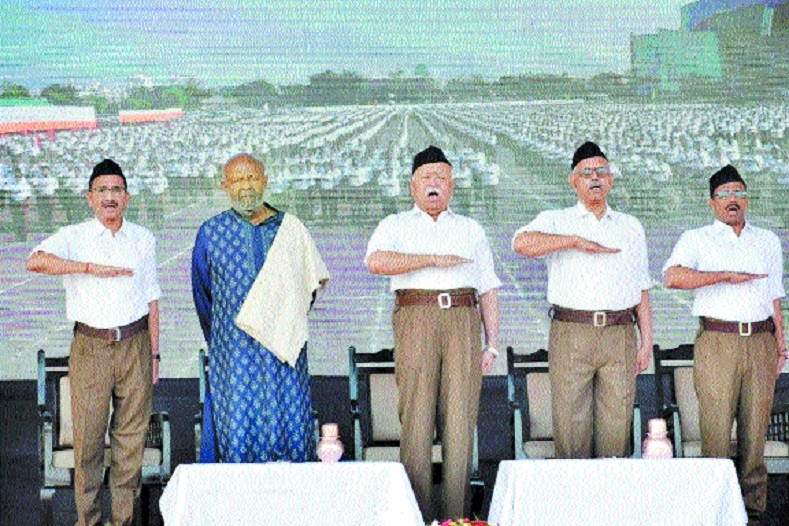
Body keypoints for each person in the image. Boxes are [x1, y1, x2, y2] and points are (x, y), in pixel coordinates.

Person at [365, 145, 501, 520]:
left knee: (460, 423)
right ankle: (416, 517)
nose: (434, 184)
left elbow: (488, 288)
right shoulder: (395, 225)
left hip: (462, 319)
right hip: (416, 317)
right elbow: (375, 261)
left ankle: (456, 518)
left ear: (452, 185)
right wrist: (432, 259)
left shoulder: (470, 229)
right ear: (412, 185)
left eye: (442, 177)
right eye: (427, 177)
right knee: (417, 420)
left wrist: (491, 344)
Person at [25, 158, 161, 526]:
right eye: (102, 190)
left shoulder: (143, 239)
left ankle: (123, 521)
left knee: (130, 442)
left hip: (134, 343)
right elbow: (34, 262)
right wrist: (87, 267)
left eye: (116, 190)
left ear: (127, 197)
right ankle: (88, 521)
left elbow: (152, 299)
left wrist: (155, 354)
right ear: (90, 197)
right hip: (91, 346)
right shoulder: (74, 236)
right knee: (87, 442)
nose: (110, 197)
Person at [512, 141, 653, 459]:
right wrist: (573, 241)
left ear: (611, 179)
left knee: (616, 429)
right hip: (572, 332)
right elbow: (521, 243)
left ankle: (610, 491)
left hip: (620, 333)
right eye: (586, 172)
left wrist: (646, 341)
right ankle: (574, 492)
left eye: (602, 171)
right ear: (573, 181)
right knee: (571, 427)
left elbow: (642, 287)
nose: (595, 178)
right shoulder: (556, 220)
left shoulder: (630, 227)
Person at [663, 165, 786, 523]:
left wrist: (780, 342)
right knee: (716, 433)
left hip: (761, 341)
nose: (733, 200)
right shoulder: (697, 238)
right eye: (725, 194)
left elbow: (774, 295)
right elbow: (672, 277)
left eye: (739, 193)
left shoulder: (767, 240)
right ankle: (714, 513)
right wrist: (723, 276)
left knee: (755, 434)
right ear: (712, 202)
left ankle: (753, 513)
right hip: (718, 341)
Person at [191, 153, 329, 463]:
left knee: (292, 426)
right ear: (225, 186)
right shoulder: (210, 233)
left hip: (284, 351)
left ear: (265, 181)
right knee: (238, 431)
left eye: (252, 178)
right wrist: (227, 334)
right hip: (234, 354)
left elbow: (307, 290)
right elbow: (203, 297)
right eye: (238, 180)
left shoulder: (291, 229)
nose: (246, 187)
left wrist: (280, 320)